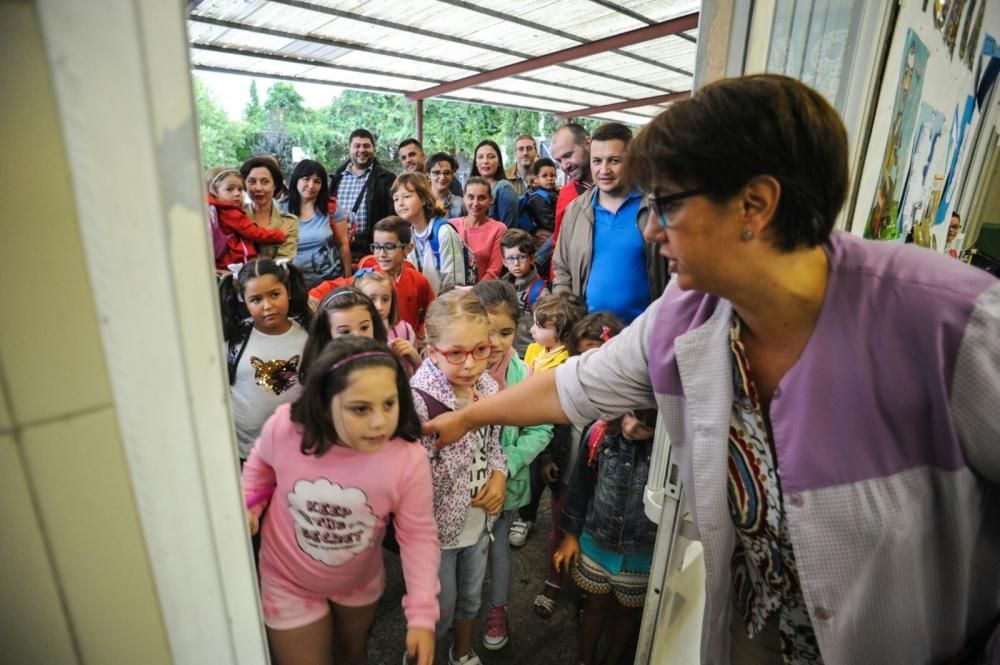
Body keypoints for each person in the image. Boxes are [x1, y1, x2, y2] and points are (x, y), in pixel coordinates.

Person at [422, 74, 1000, 665]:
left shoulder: (952, 323)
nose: (649, 228)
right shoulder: (687, 314)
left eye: (667, 205)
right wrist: (465, 418)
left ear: (755, 205)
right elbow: (575, 386)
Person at [242, 336, 440, 665]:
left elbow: (418, 536)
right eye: (360, 408)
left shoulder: (408, 458)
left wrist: (422, 614)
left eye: (389, 404)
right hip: (286, 580)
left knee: (352, 655)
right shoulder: (286, 427)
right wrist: (251, 503)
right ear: (323, 401)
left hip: (358, 582)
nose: (379, 422)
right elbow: (259, 468)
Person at [410, 290, 507, 665]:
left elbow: (495, 443)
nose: (469, 364)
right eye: (456, 353)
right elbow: (407, 473)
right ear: (432, 349)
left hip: (479, 522)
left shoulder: (489, 389)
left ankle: (463, 653)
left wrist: (499, 474)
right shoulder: (417, 400)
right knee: (440, 608)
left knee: (470, 598)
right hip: (435, 533)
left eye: (480, 350)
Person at [471, 280, 553, 652]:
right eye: (488, 330)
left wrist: (510, 464)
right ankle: (459, 612)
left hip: (504, 489)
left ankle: (498, 609)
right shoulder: (455, 364)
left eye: (505, 332)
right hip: (460, 490)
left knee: (499, 549)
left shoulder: (522, 374)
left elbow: (541, 427)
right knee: (463, 554)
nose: (497, 341)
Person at [555, 410, 658, 665]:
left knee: (628, 615)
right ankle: (585, 658)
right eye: (630, 415)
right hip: (596, 542)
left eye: (645, 426)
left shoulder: (668, 452)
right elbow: (579, 489)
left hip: (641, 553)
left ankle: (613, 660)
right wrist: (570, 535)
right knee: (594, 606)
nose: (632, 428)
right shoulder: (599, 434)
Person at [553, 122, 667, 324]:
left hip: (643, 334)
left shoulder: (655, 207)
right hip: (590, 337)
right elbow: (562, 270)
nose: (604, 170)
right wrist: (567, 317)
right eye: (597, 161)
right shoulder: (576, 211)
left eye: (614, 160)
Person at [219, 258, 312, 461]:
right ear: (244, 300)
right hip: (248, 452)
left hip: (298, 448)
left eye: (275, 295)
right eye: (256, 300)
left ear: (288, 291)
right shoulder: (233, 340)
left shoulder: (309, 334)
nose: (268, 306)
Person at [392, 173, 467, 294]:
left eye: (406, 196)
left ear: (423, 199)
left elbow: (454, 284)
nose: (400, 203)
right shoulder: (409, 235)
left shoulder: (444, 232)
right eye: (395, 199)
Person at [330, 128, 396, 263]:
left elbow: (393, 216)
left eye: (366, 146)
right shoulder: (337, 178)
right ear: (349, 148)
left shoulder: (386, 179)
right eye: (357, 146)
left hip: (372, 249)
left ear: (374, 149)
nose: (361, 150)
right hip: (339, 249)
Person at [282, 160, 350, 288]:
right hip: (294, 285)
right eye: (306, 179)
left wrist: (348, 280)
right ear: (296, 179)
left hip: (331, 284)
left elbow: (343, 245)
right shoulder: (280, 209)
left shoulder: (332, 207)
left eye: (317, 181)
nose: (311, 185)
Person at [206, 167, 287, 272]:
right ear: (215, 191)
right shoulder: (230, 212)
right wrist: (279, 234)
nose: (237, 193)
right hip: (236, 259)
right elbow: (254, 232)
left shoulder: (214, 208)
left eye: (240, 189)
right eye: (229, 189)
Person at [300, 286, 388, 380]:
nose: (357, 337)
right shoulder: (322, 378)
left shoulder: (387, 364)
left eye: (364, 327)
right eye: (345, 332)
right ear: (327, 333)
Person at [354, 269, 421, 373]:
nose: (379, 307)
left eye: (385, 299)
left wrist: (415, 358)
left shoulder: (404, 330)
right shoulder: (355, 334)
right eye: (372, 299)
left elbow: (419, 375)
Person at [500, 229, 550, 357]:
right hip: (507, 350)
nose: (516, 263)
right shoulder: (503, 285)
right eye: (510, 258)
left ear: (532, 258)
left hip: (528, 354)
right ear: (504, 262)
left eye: (521, 257)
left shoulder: (539, 292)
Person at [240, 156, 299, 261]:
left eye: (265, 182)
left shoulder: (288, 222)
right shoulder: (236, 217)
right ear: (244, 185)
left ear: (275, 185)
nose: (258, 188)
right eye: (252, 182)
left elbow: (284, 261)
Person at [453, 177, 506, 282]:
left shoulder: (498, 229)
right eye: (471, 197)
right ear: (464, 197)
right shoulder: (450, 225)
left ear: (490, 199)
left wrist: (473, 294)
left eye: (481, 198)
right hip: (452, 293)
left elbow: (494, 270)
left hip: (483, 293)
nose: (475, 203)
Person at [469, 139, 518, 228]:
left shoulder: (504, 189)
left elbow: (508, 230)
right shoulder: (469, 187)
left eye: (491, 157)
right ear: (476, 162)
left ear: (499, 162)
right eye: (480, 157)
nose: (485, 161)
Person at [428, 152, 466, 217]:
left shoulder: (461, 204)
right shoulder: (419, 201)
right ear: (428, 175)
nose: (442, 177)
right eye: (437, 173)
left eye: (447, 173)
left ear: (452, 175)